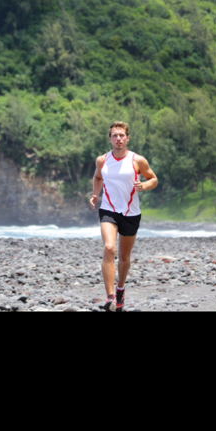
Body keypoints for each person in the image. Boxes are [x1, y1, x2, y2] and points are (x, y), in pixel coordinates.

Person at [89, 121, 158, 311]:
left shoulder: (137, 160)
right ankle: (110, 297)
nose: (118, 139)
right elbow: (98, 177)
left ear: (127, 138)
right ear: (110, 139)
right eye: (115, 135)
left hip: (131, 213)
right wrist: (95, 194)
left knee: (124, 257)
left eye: (121, 135)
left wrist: (144, 185)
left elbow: (153, 179)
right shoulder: (102, 160)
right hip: (108, 209)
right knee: (109, 248)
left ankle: (120, 288)